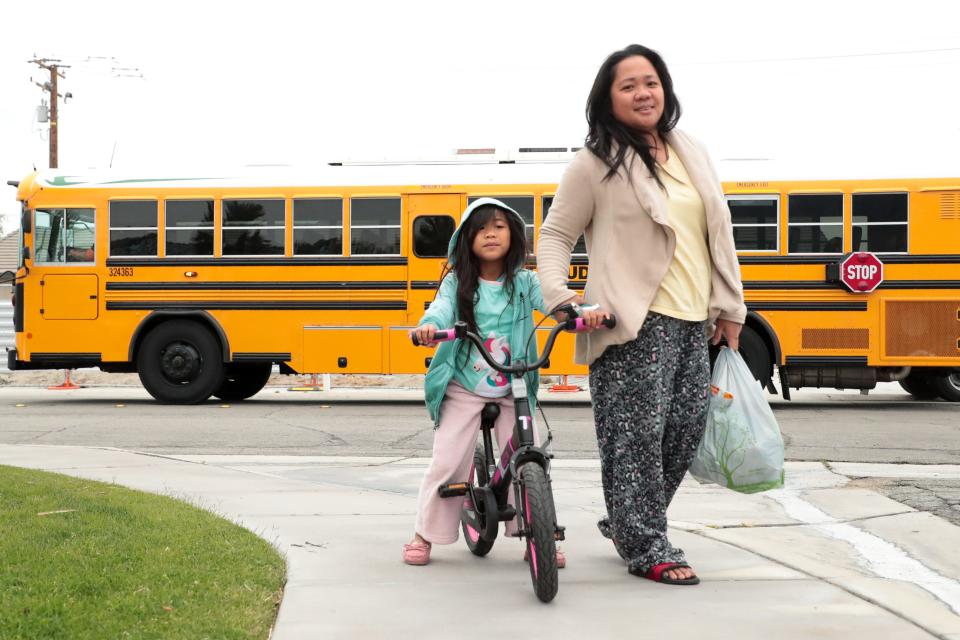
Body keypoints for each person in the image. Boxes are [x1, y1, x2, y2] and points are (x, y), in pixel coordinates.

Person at [536, 44, 747, 585]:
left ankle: (628, 519)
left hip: (691, 318)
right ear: (608, 100)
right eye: (627, 85)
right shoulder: (594, 163)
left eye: (650, 82)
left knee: (681, 434)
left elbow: (717, 235)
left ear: (665, 89)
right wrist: (560, 297)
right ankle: (647, 544)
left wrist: (730, 306)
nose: (642, 93)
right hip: (629, 321)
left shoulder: (691, 151)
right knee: (634, 441)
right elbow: (557, 234)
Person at [403, 198, 565, 568]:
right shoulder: (458, 283)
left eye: (499, 226)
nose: (490, 234)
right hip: (465, 384)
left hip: (515, 385)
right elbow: (441, 309)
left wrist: (580, 312)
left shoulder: (525, 283)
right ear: (466, 239)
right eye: (480, 228)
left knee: (532, 456)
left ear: (514, 235)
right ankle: (423, 533)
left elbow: (555, 302)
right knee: (448, 462)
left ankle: (540, 535)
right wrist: (430, 327)